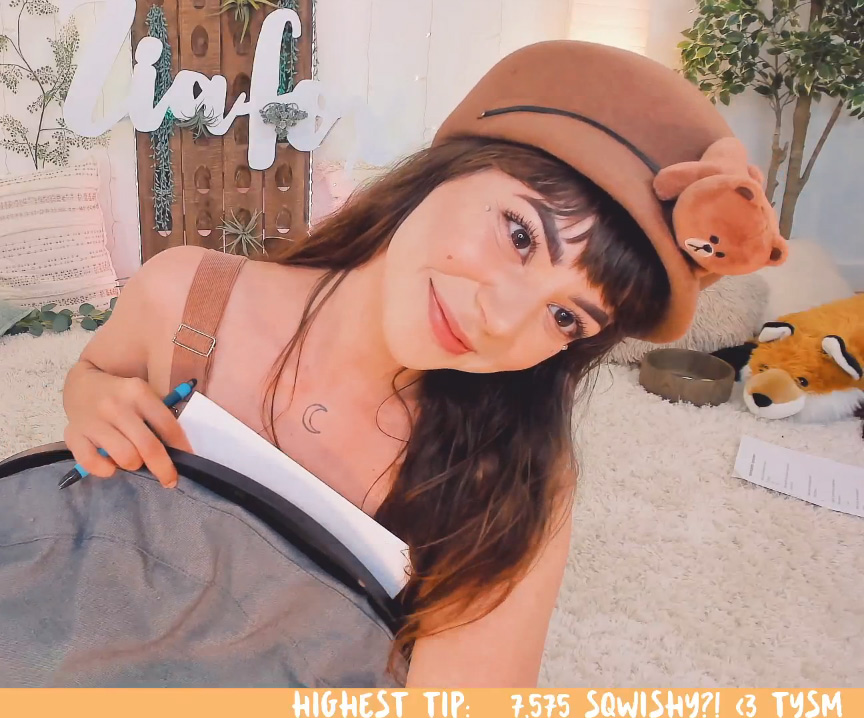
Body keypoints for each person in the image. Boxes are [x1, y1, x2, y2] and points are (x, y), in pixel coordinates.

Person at [57, 40, 785, 686]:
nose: (501, 321)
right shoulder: (186, 296)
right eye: (521, 235)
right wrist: (92, 400)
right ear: (449, 170)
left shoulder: (513, 479)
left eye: (566, 317)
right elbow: (94, 377)